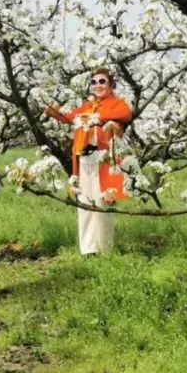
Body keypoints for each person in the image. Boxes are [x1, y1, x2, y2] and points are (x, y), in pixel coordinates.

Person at [43, 69, 132, 255]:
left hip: (104, 160)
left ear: (111, 85)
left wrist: (97, 118)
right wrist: (52, 110)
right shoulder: (87, 106)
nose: (98, 85)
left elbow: (125, 114)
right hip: (84, 158)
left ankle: (105, 249)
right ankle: (88, 249)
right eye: (94, 82)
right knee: (84, 201)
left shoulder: (117, 103)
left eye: (102, 81)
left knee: (102, 201)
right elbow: (70, 117)